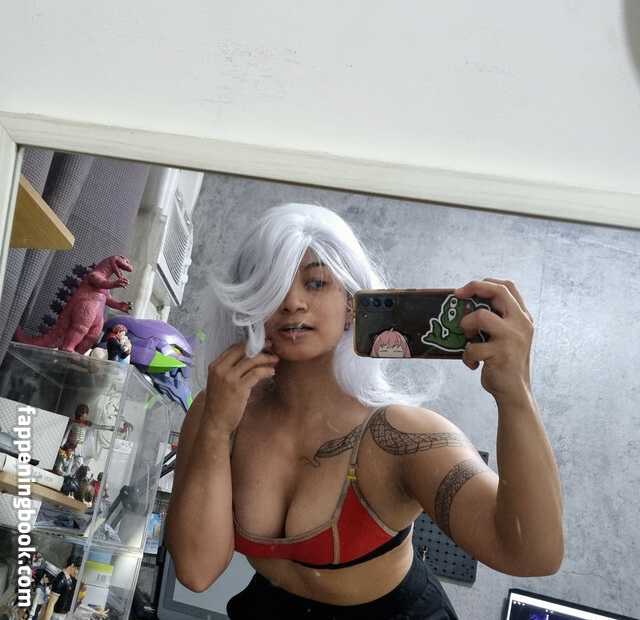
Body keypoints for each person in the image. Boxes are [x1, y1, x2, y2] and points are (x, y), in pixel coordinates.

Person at [164, 203, 564, 619]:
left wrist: (515, 393)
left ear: (352, 303)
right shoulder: (220, 409)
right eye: (271, 283)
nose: (292, 301)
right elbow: (196, 571)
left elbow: (533, 555)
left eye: (316, 282)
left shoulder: (400, 437)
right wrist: (215, 429)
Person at [41, 555, 81, 620]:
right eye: (76, 568)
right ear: (72, 565)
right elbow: (51, 604)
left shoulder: (69, 579)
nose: (76, 571)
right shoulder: (61, 580)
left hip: (62, 615)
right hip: (56, 616)